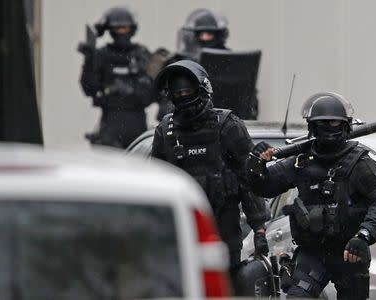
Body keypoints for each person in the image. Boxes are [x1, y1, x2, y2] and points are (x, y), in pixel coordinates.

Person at [247, 92, 376, 299]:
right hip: (312, 253)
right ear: (312, 126)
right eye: (321, 123)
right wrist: (256, 162)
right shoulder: (300, 161)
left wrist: (364, 235)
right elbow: (264, 187)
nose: (328, 127)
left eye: (333, 122)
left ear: (345, 125)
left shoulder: (360, 163)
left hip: (349, 252)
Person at [150, 60, 269, 293]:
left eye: (188, 91)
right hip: (182, 231)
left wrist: (260, 229)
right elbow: (154, 185)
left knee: (224, 288)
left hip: (224, 229)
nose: (183, 97)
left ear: (202, 88)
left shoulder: (227, 125)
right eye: (178, 93)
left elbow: (249, 178)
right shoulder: (165, 131)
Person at [154, 8, 259, 121]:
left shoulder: (230, 62)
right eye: (201, 34)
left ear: (219, 35)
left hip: (224, 120)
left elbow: (247, 99)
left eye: (208, 34)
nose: (204, 38)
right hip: (188, 121)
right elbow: (164, 99)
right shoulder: (181, 62)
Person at [78, 7, 153, 148]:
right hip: (110, 123)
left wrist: (131, 90)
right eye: (117, 28)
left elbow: (153, 94)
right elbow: (88, 88)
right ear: (110, 30)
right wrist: (89, 60)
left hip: (137, 123)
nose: (121, 32)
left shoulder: (142, 55)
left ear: (132, 29)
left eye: (124, 28)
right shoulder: (101, 55)